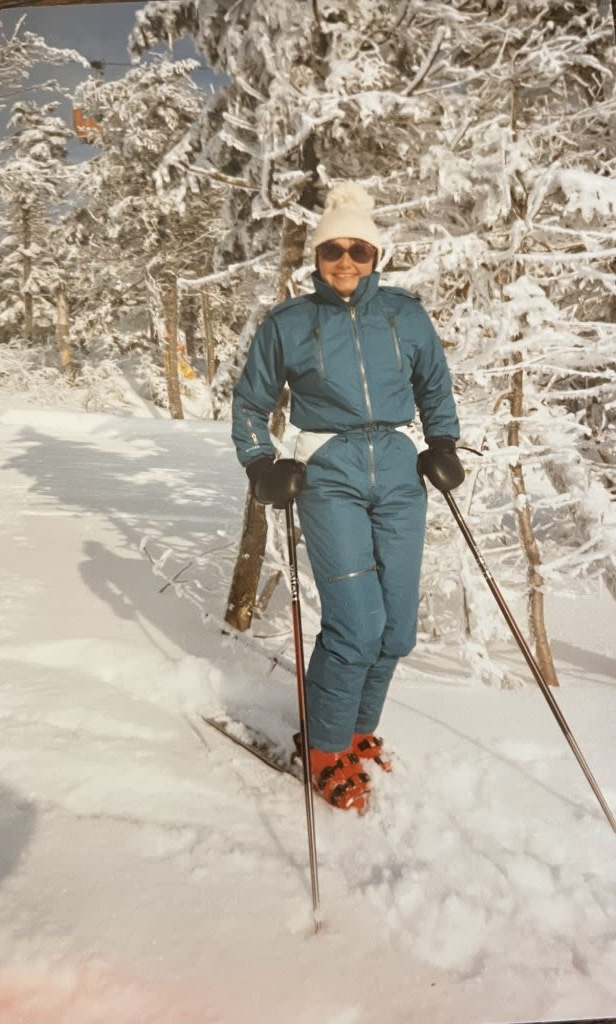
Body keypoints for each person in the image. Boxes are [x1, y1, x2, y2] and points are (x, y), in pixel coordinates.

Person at [231, 182, 463, 812]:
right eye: (333, 248)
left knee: (397, 631)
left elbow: (434, 385)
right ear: (317, 255)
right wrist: (261, 463)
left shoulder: (405, 315)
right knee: (356, 625)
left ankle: (357, 732)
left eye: (358, 249)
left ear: (375, 256)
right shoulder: (290, 323)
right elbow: (251, 404)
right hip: (326, 468)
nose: (345, 260)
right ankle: (324, 747)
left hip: (394, 465)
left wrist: (441, 442)